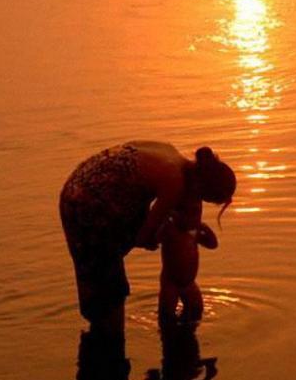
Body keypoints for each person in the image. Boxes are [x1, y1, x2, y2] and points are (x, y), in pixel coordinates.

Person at [59, 141, 236, 333]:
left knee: (94, 273)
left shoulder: (170, 153)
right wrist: (163, 237)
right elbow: (144, 236)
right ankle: (107, 338)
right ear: (199, 187)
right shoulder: (174, 181)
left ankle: (97, 334)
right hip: (89, 204)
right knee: (107, 291)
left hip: (76, 187)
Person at [158, 213, 218, 325]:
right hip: (171, 283)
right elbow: (154, 238)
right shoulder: (169, 228)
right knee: (166, 318)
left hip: (189, 283)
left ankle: (187, 334)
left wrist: (205, 228)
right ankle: (169, 336)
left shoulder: (194, 232)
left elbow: (213, 244)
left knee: (196, 312)